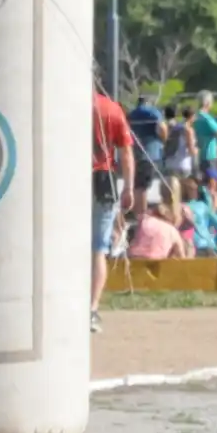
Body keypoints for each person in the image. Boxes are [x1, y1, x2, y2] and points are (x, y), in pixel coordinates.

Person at [90, 85, 134, 334]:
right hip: (104, 179)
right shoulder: (112, 109)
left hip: (71, 177)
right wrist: (128, 187)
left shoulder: (65, 102)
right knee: (98, 248)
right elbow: (126, 152)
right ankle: (92, 309)